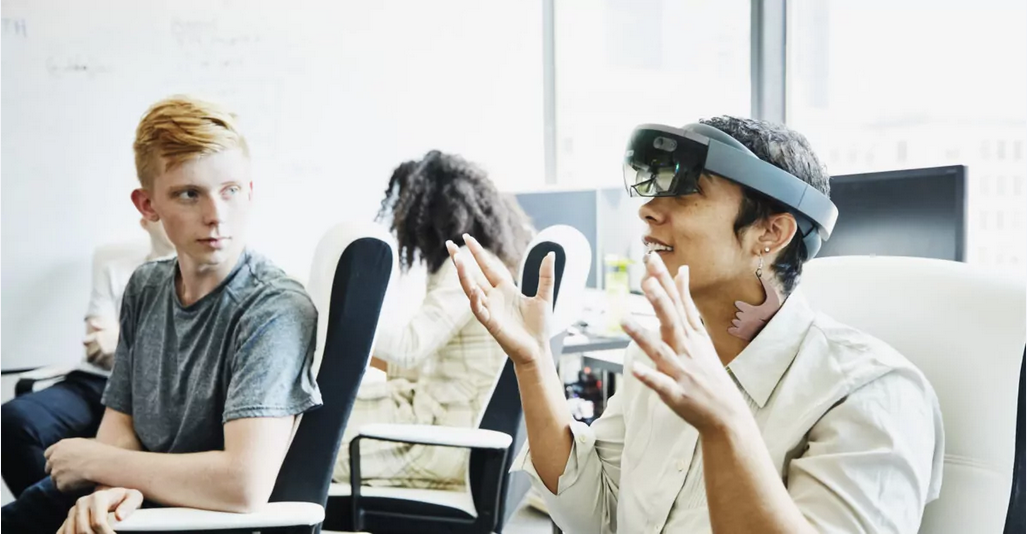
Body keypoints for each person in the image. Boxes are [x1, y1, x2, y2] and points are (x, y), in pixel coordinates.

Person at [448, 116, 945, 533]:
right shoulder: (657, 356)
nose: (648, 211)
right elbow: (595, 517)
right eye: (653, 191)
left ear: (771, 232)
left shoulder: (872, 394)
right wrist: (533, 361)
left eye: (686, 193)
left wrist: (724, 423)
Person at [1, 95, 323, 534]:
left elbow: (243, 484)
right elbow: (121, 418)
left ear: (249, 191)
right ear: (147, 205)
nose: (216, 216)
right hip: (133, 496)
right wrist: (107, 491)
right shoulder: (146, 285)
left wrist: (97, 462)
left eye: (230, 190)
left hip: (194, 516)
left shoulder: (274, 307)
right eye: (189, 194)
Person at [333, 150, 532, 489]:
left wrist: (338, 312)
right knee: (325, 415)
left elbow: (410, 348)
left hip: (446, 438)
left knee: (311, 450)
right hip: (441, 416)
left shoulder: (466, 265)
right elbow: (427, 359)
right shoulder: (478, 260)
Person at [1, 220, 174, 498]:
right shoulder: (114, 263)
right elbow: (96, 344)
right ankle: (60, 512)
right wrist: (137, 345)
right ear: (146, 214)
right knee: (12, 421)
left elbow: (175, 356)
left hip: (150, 392)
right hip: (94, 380)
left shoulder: (205, 271)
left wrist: (118, 341)